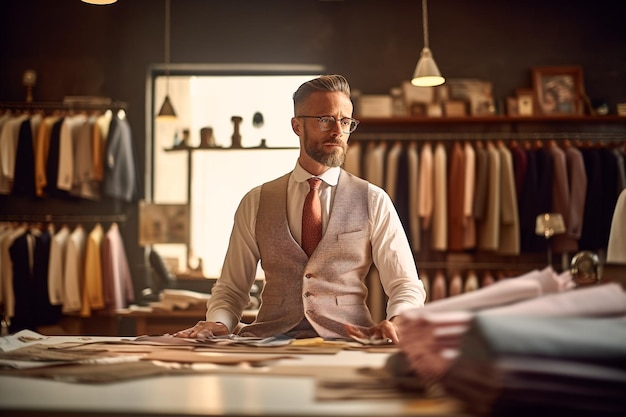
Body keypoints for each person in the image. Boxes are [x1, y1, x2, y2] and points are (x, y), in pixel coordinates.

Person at [173, 74, 426, 343]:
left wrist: (399, 320)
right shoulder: (256, 201)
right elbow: (231, 289)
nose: (337, 131)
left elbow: (405, 285)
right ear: (296, 126)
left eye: (345, 122)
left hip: (349, 344)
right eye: (325, 120)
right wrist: (219, 322)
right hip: (268, 343)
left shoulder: (373, 200)